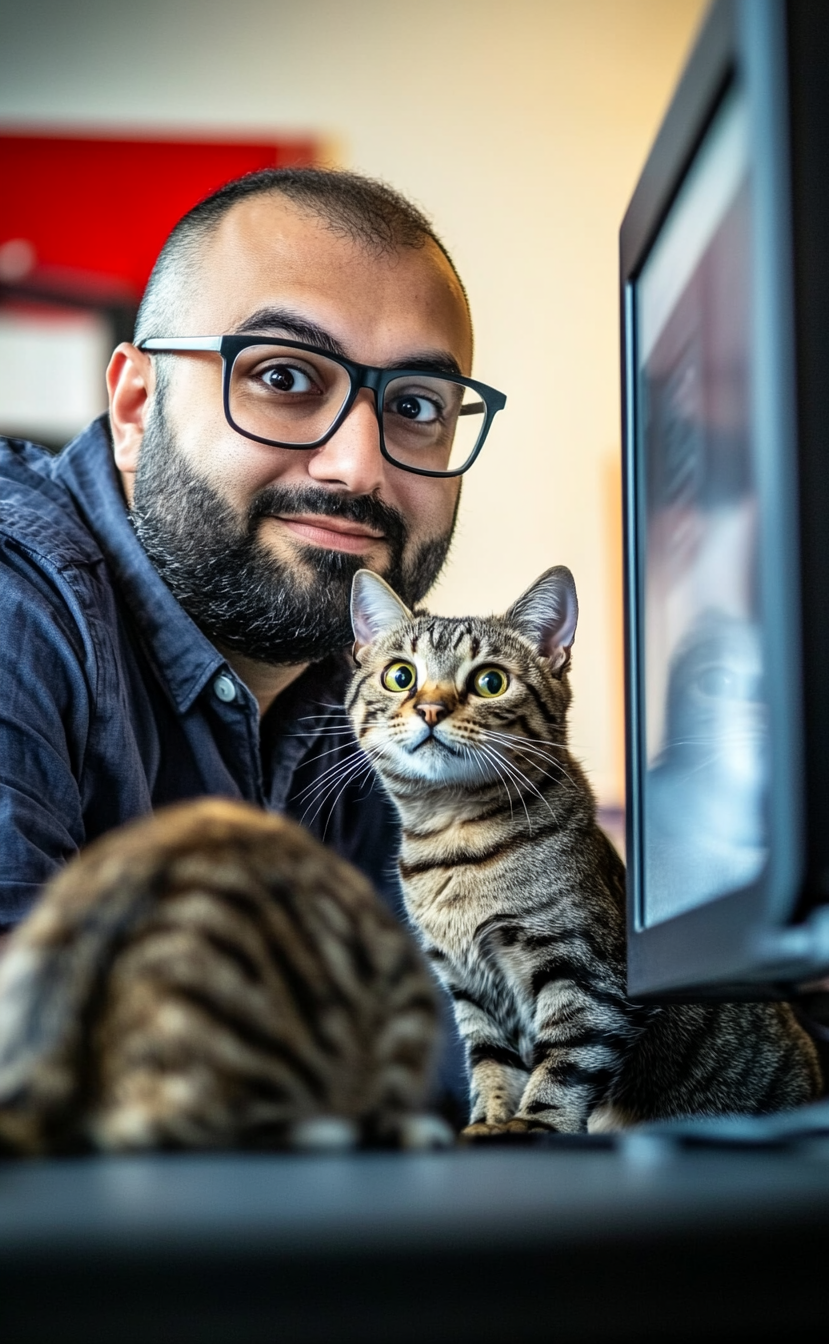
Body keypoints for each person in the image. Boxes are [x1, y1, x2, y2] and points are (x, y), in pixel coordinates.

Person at [0, 168, 505, 1108]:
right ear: (135, 406)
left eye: (418, 406)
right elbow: (36, 1099)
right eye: (282, 377)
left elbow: (466, 1068)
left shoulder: (365, 693)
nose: (360, 466)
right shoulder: (19, 606)